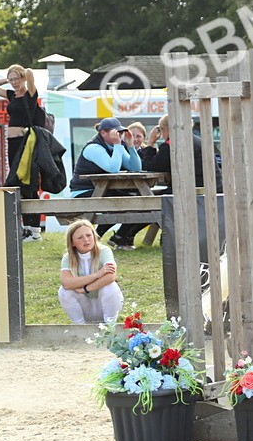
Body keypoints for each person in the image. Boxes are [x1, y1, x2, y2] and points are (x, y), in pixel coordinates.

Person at [0, 64, 46, 241]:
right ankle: (26, 227)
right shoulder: (12, 94)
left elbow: (30, 73)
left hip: (25, 142)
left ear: (22, 78)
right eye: (11, 80)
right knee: (18, 181)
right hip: (12, 143)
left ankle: (35, 230)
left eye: (16, 79)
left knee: (30, 182)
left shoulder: (30, 94)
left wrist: (22, 76)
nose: (13, 83)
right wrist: (7, 78)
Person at [69, 118, 144, 249]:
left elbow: (135, 167)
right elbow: (113, 168)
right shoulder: (93, 148)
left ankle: (113, 237)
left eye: (120, 132)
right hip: (83, 192)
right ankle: (101, 237)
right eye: (116, 132)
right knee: (124, 201)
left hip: (101, 191)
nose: (119, 135)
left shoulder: (116, 147)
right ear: (103, 133)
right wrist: (118, 145)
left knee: (136, 199)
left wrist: (130, 146)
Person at [58, 219, 124, 324]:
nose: (86, 240)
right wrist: (96, 275)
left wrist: (85, 289)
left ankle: (110, 325)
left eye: (89, 235)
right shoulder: (68, 258)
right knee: (64, 291)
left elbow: (110, 277)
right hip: (85, 305)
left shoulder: (104, 251)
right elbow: (66, 283)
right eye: (80, 237)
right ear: (72, 242)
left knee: (110, 286)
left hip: (103, 303)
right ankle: (80, 327)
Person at [142, 114, 221, 193]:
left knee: (151, 198)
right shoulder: (199, 141)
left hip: (192, 193)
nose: (162, 136)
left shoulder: (172, 144)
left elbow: (149, 166)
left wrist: (151, 143)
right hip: (215, 189)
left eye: (161, 130)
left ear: (167, 129)